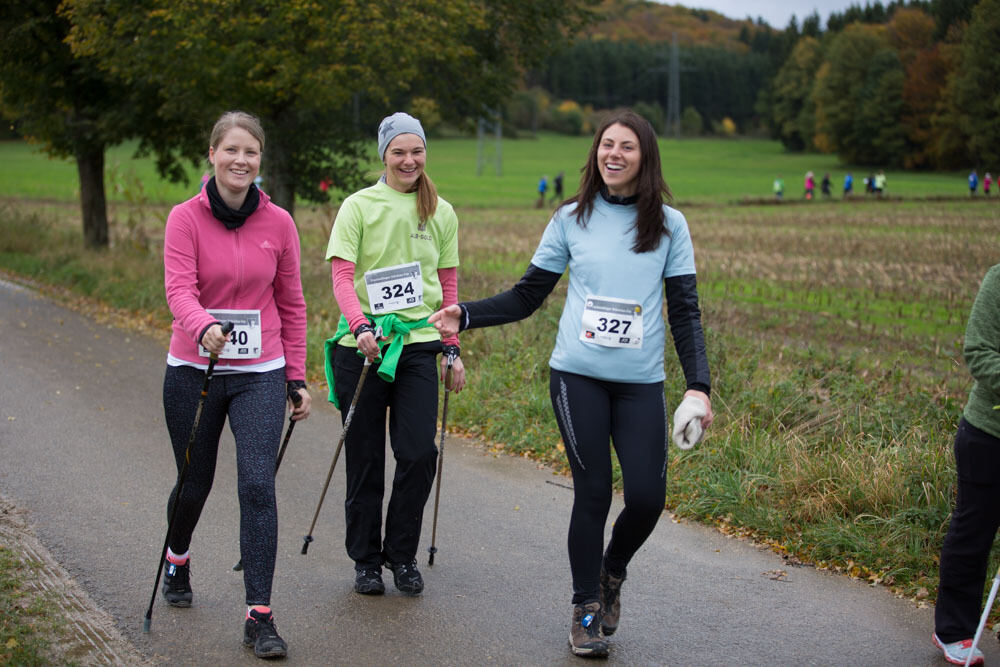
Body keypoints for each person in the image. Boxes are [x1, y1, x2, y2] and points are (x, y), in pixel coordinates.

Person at [429, 110, 712, 658]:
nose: (614, 154)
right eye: (607, 144)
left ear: (644, 157)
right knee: (594, 491)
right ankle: (585, 611)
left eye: (627, 147)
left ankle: (611, 573)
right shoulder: (570, 218)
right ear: (595, 153)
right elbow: (527, 295)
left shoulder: (670, 226)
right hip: (577, 375)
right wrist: (466, 314)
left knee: (649, 498)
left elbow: (685, 312)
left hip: (640, 385)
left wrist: (697, 387)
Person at [161, 111, 311, 659]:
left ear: (259, 161)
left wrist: (295, 376)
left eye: (250, 152)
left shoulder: (280, 224)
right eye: (231, 151)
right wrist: (203, 328)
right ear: (213, 155)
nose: (240, 161)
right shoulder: (184, 218)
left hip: (259, 372)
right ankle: (178, 558)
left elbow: (292, 306)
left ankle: (260, 615)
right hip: (194, 370)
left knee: (256, 484)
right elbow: (179, 289)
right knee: (194, 482)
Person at [325, 112, 466, 599]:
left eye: (417, 151)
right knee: (364, 461)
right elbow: (343, 276)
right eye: (399, 151)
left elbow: (446, 285)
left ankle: (400, 556)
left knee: (418, 452)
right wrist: (361, 324)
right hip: (361, 347)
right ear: (383, 154)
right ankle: (366, 560)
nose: (409, 160)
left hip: (417, 345)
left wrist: (452, 349)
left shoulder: (440, 212)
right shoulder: (359, 206)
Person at [932, 263, 1000, 666]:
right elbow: (978, 351)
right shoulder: (998, 279)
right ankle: (954, 632)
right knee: (973, 534)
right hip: (989, 435)